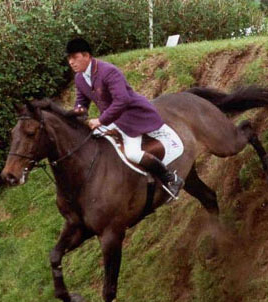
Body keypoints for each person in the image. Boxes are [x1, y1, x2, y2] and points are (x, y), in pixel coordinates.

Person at [66, 37, 184, 198]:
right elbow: (81, 101)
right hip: (112, 119)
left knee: (132, 153)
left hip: (132, 117)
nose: (71, 62)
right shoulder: (79, 78)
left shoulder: (108, 71)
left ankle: (170, 178)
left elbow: (122, 100)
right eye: (69, 58)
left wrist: (101, 120)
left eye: (74, 57)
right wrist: (78, 112)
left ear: (86, 55)